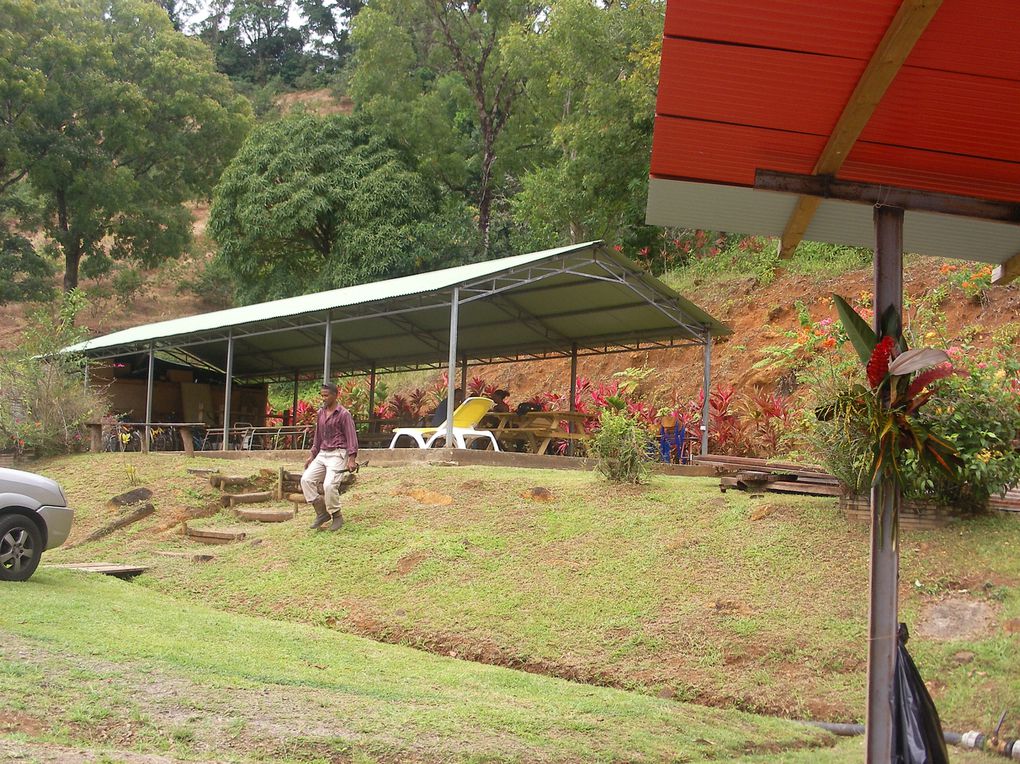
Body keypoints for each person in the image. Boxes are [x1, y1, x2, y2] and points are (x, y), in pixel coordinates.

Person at [301, 382, 359, 532]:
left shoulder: (344, 414)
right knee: (306, 480)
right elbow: (317, 437)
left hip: (338, 453)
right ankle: (321, 513)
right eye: (322, 395)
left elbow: (351, 437)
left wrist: (351, 459)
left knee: (329, 485)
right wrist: (312, 455)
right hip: (322, 453)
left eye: (326, 395)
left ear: (335, 395)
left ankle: (336, 515)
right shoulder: (321, 413)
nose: (324, 398)